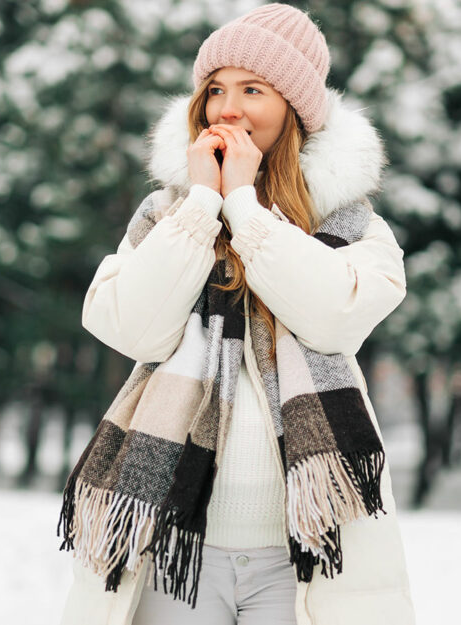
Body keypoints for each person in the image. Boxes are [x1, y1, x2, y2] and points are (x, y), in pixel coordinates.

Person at [58, 4, 416, 625]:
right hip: (175, 546)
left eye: (253, 89)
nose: (228, 108)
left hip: (301, 555)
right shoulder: (166, 214)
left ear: (296, 109)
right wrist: (201, 205)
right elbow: (129, 328)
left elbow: (333, 320)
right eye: (216, 89)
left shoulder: (353, 226)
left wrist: (246, 210)